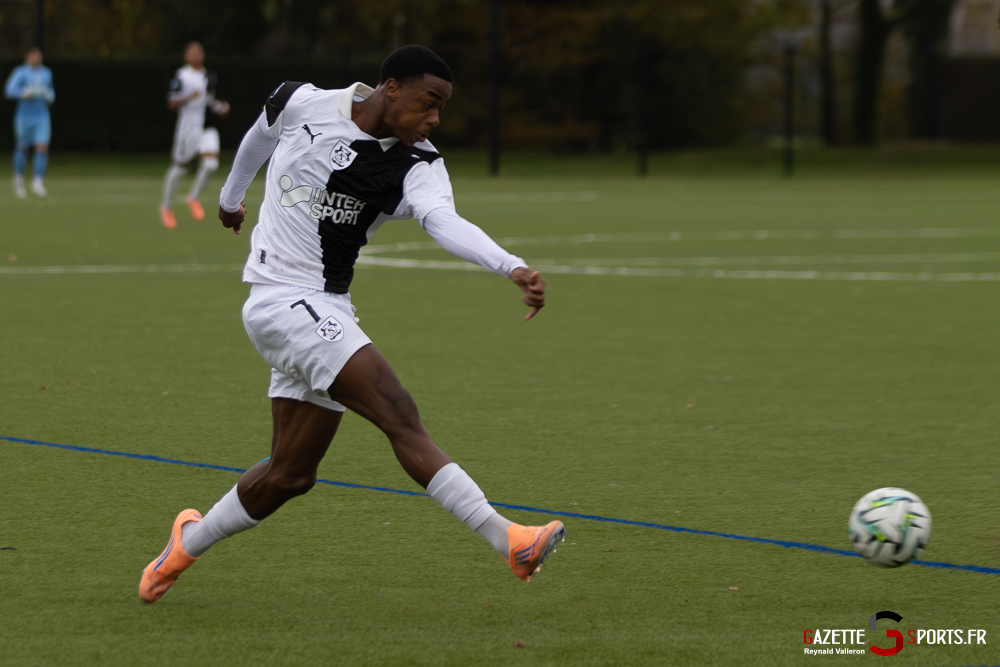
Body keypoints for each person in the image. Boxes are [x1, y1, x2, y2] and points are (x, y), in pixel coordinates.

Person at [139, 45, 562, 603]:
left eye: (442, 108)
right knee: (396, 408)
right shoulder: (302, 101)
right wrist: (230, 198)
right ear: (391, 89)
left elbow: (442, 220)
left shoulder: (419, 164)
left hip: (325, 307)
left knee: (290, 475)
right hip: (279, 300)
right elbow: (259, 136)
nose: (435, 118)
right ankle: (509, 538)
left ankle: (183, 547)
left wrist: (509, 264)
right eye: (427, 102)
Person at [160, 42, 230, 229]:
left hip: (206, 127)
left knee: (211, 164)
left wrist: (220, 107)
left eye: (199, 52)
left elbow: (208, 100)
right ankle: (166, 206)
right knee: (180, 168)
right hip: (187, 128)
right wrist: (189, 96)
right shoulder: (181, 76)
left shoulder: (209, 76)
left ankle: (193, 197)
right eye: (192, 52)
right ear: (186, 56)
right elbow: (172, 104)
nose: (196, 55)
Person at [4, 47, 54, 199]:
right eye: (33, 55)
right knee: (22, 149)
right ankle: (18, 179)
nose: (36, 58)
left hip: (42, 117)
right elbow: (9, 90)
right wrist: (25, 92)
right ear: (27, 57)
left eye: (38, 55)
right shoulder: (20, 72)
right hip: (24, 117)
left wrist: (46, 94)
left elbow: (52, 95)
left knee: (42, 147)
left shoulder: (46, 73)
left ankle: (37, 182)